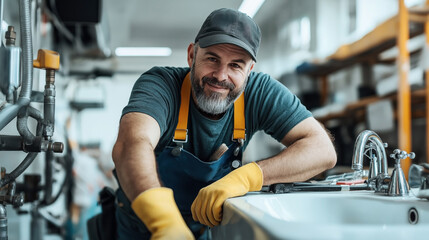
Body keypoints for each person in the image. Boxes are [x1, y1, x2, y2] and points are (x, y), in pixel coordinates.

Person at [112, 8, 337, 240]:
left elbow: (322, 150)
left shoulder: (260, 92)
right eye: (212, 59)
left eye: (236, 65)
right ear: (192, 56)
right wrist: (164, 222)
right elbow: (133, 142)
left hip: (206, 229)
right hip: (143, 229)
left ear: (249, 71)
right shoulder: (160, 85)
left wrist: (248, 176)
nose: (221, 75)